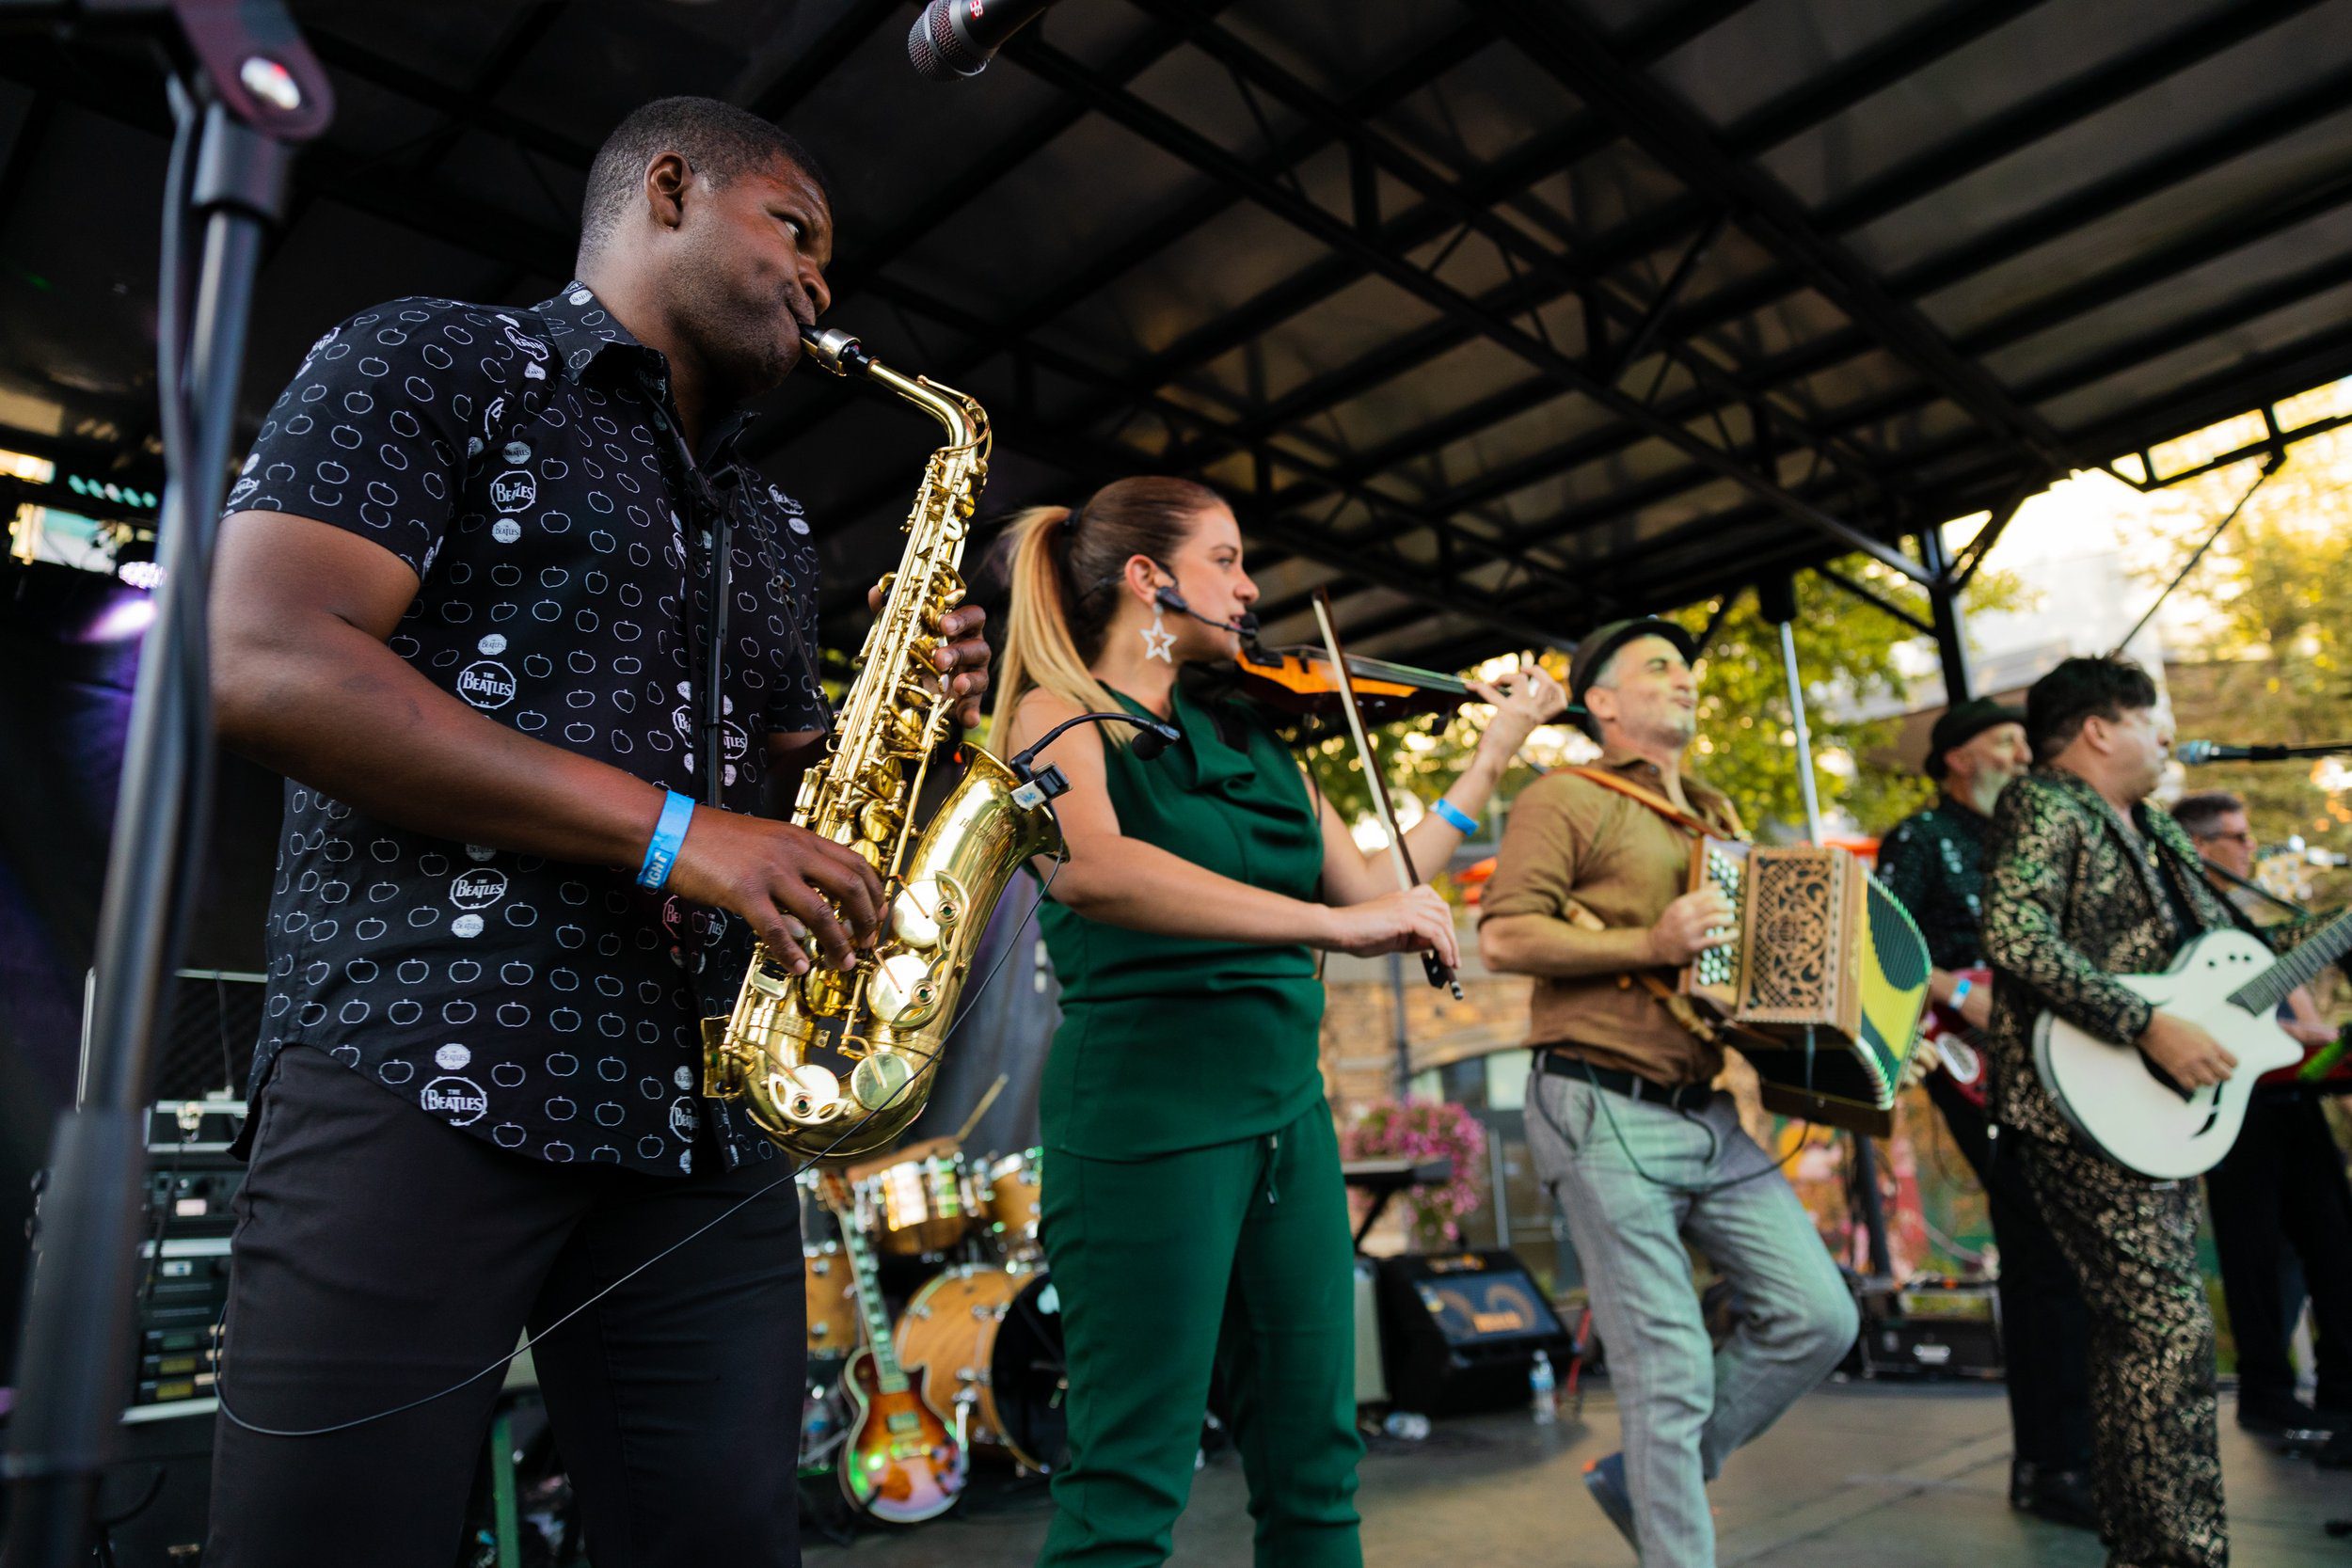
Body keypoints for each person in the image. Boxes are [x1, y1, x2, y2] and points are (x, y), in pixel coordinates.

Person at [202, 98, 997, 1568]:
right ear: (674, 189)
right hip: (421, 1066)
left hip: (697, 1114)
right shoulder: (437, 356)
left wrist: (912, 734)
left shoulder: (765, 526)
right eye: (797, 233)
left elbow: (779, 808)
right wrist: (680, 835)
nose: (823, 284)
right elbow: (270, 659)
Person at [991, 477, 1565, 1568]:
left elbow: (1374, 886)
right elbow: (1096, 870)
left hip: (1286, 1125)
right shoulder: (1052, 712)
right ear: (1146, 578)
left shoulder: (1257, 739)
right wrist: (1330, 928)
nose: (1251, 586)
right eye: (1226, 558)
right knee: (1128, 1478)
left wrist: (1492, 753)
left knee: (1316, 1463)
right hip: (1143, 1128)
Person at [1477, 618, 1858, 1568]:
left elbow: (1739, 982)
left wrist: (1850, 1038)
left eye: (1687, 668)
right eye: (1657, 667)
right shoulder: (1563, 795)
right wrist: (1647, 943)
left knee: (1820, 1315)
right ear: (1599, 701)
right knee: (1669, 1366)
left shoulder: (1719, 818)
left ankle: (1645, 1478)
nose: (1682, 678)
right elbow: (1503, 937)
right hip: (1597, 1100)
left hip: (1710, 1109)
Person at [1982, 656, 2235, 1568]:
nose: (2165, 737)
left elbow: (2225, 954)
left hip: (2137, 1109)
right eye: (2149, 719)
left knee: (2152, 1333)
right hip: (2077, 1103)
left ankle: (2154, 1549)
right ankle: (2175, 1553)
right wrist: (2146, 1024)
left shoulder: (2154, 826)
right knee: (2164, 1326)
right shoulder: (2049, 800)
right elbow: (2012, 931)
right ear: (2098, 727)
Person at [1875, 699, 2096, 1525]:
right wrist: (1957, 991)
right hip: (1974, 1062)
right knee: (2040, 1246)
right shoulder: (1921, 839)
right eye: (2006, 740)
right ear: (1958, 757)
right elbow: (1879, 938)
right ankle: (2051, 1461)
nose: (2022, 753)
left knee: (2071, 1247)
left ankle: (2076, 1452)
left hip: (2057, 1057)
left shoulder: (2033, 839)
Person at [2171, 790, 2352, 1439]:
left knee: (2334, 1234)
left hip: (2288, 1094)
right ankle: (2266, 1390)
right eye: (2238, 836)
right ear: (2200, 846)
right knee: (2250, 1250)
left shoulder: (2254, 922)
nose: (2251, 847)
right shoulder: (2174, 917)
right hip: (2228, 1099)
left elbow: (2297, 1016)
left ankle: (2339, 1389)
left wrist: (2316, 1035)